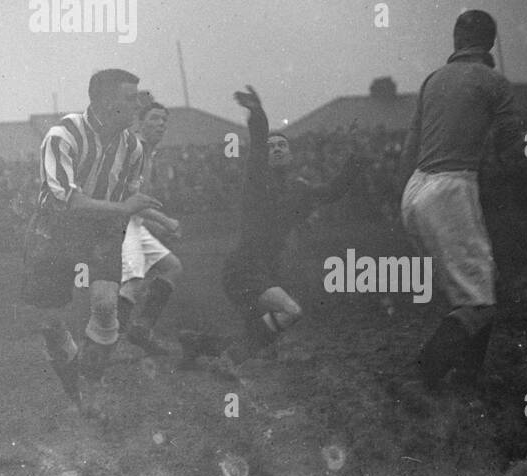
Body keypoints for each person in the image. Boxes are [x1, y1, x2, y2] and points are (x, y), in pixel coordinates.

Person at [184, 86, 365, 363]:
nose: (277, 150)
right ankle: (230, 359)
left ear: (290, 154)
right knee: (290, 313)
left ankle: (197, 344)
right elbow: (257, 144)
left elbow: (333, 191)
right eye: (272, 147)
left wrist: (356, 158)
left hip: (268, 268)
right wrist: (257, 113)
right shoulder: (257, 181)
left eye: (282, 146)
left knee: (260, 338)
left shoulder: (299, 189)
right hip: (244, 268)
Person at [399, 9, 525, 392]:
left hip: (416, 189)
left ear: (456, 40)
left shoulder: (433, 80)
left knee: (481, 287)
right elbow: (509, 149)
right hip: (452, 189)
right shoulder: (493, 82)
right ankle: (420, 379)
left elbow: (409, 151)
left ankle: (467, 376)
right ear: (490, 42)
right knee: (479, 301)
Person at [20, 69, 162, 407]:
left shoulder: (132, 146)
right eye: (130, 99)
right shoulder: (62, 135)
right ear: (104, 101)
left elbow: (130, 197)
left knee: (104, 304)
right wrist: (123, 208)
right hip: (55, 231)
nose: (137, 106)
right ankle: (76, 390)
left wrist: (161, 218)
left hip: (101, 230)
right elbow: (67, 200)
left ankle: (92, 389)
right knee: (52, 324)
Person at [118, 101, 184, 355]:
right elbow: (127, 201)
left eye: (164, 120)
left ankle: (141, 329)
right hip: (119, 223)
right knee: (133, 281)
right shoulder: (134, 150)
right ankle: (103, 347)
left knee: (172, 267)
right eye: (155, 118)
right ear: (140, 122)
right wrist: (165, 221)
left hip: (132, 222)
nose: (161, 124)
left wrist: (155, 222)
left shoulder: (148, 152)